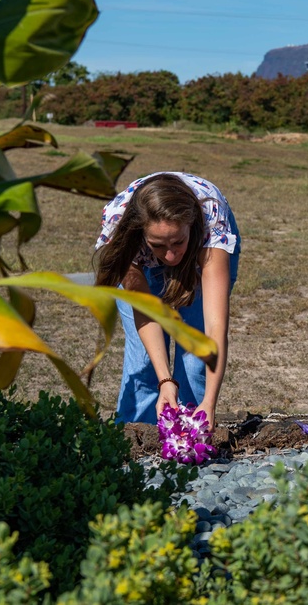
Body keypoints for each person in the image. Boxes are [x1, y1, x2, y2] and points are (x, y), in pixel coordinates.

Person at [94, 172, 240, 428]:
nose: (171, 256)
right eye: (158, 245)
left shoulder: (210, 219)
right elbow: (147, 312)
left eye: (177, 242)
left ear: (191, 226)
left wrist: (210, 403)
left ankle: (192, 436)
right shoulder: (121, 229)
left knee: (195, 356)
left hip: (204, 246)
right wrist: (165, 381)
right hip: (136, 253)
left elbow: (214, 329)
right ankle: (136, 443)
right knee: (143, 360)